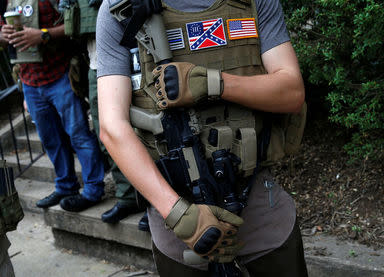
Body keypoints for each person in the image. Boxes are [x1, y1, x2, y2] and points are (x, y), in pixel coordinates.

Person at [96, 0, 308, 276]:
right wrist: (179, 215)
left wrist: (214, 83)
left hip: (262, 217)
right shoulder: (120, 9)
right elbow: (112, 126)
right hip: (180, 226)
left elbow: (291, 92)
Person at [0, 0, 105, 212]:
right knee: (50, 139)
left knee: (79, 134)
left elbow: (76, 24)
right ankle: (66, 186)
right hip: (30, 81)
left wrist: (43, 34)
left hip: (61, 74)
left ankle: (93, 190)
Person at [63, 0, 149, 228]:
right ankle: (128, 196)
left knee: (146, 131)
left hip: (136, 49)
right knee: (108, 134)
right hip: (96, 59)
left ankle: (153, 201)